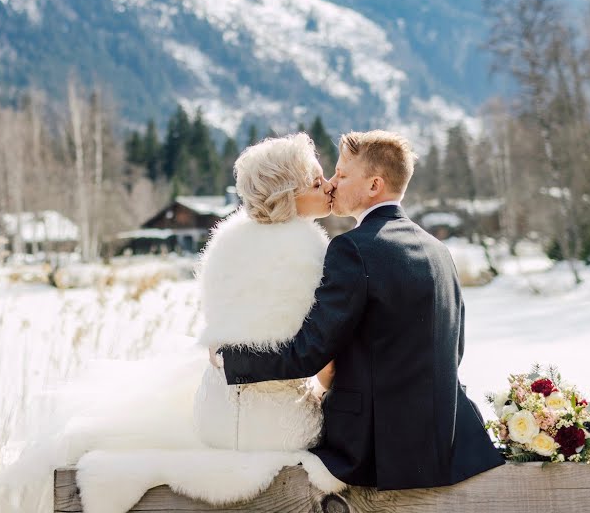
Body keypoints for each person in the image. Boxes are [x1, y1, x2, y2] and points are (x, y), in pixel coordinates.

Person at [0, 132, 345, 513]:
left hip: (214, 415)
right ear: (288, 193)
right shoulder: (312, 249)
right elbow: (316, 352)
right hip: (278, 426)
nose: (328, 187)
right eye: (317, 182)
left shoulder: (227, 241)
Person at [215, 129, 505, 490]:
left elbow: (309, 353)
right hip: (448, 441)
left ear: (373, 186)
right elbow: (454, 348)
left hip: (370, 451)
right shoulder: (438, 251)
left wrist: (231, 361)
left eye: (342, 174)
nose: (332, 183)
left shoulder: (353, 249)